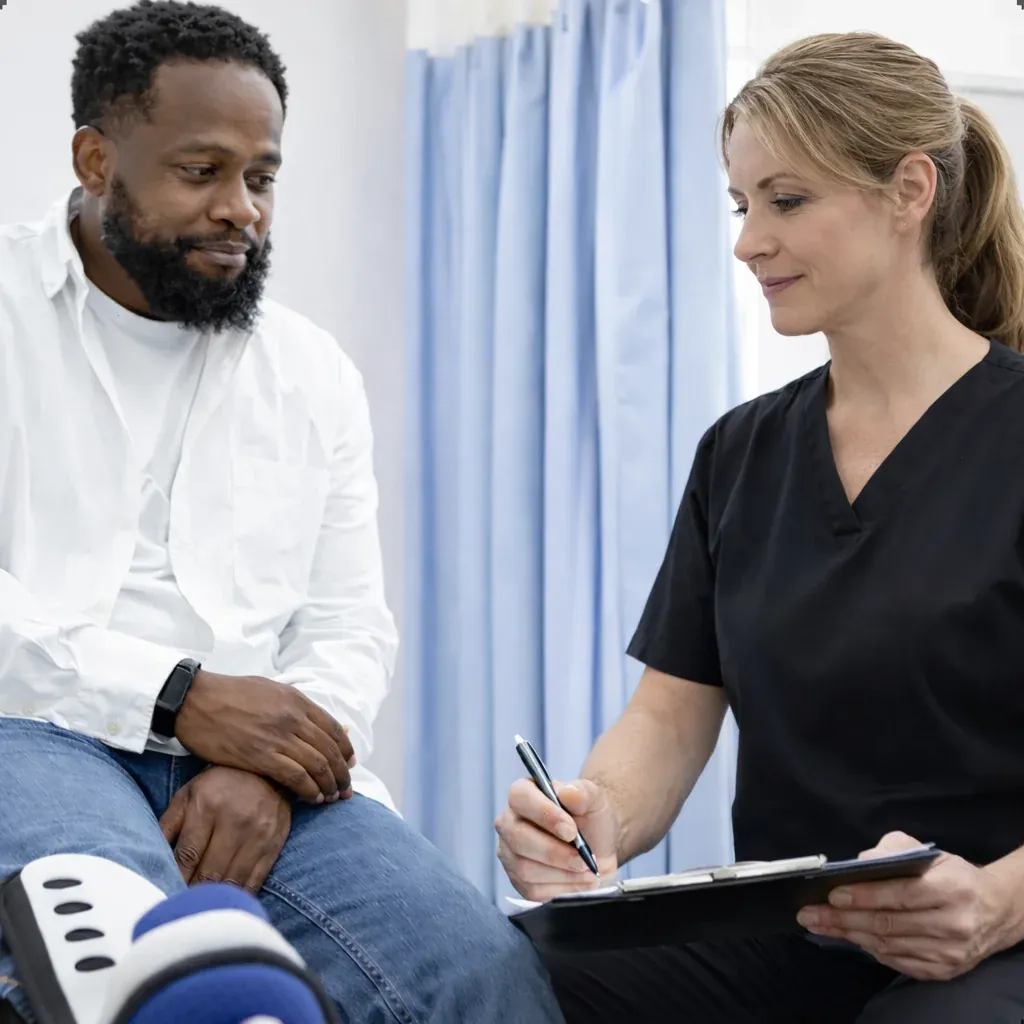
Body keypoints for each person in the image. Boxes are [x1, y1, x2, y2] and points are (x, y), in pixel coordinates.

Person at [0, 3, 565, 1022]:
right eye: (201, 171)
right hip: (29, 728)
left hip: (256, 762)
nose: (241, 209)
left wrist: (277, 768)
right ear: (94, 158)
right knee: (130, 966)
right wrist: (175, 695)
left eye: (261, 177)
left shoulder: (310, 371)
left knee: (481, 976)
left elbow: (350, 627)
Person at [495, 30, 1024, 1023]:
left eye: (785, 201)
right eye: (742, 207)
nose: (746, 242)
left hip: (998, 930)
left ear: (909, 191)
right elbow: (667, 715)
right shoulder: (739, 454)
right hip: (792, 935)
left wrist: (996, 903)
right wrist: (595, 812)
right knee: (498, 970)